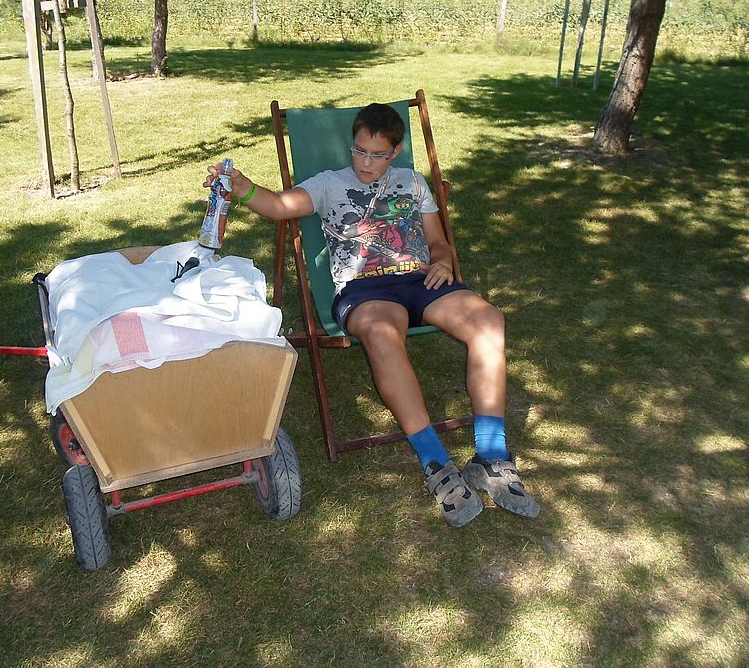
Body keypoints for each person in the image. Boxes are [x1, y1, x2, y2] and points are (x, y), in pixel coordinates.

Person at [206, 103, 539, 527]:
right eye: (359, 151)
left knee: (489, 322)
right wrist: (243, 187)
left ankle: (490, 458)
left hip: (422, 280)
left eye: (377, 155)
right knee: (382, 334)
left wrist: (441, 261)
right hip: (365, 288)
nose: (365, 162)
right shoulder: (329, 184)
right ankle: (436, 464)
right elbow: (278, 206)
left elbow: (439, 243)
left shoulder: (413, 182)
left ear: (395, 151)